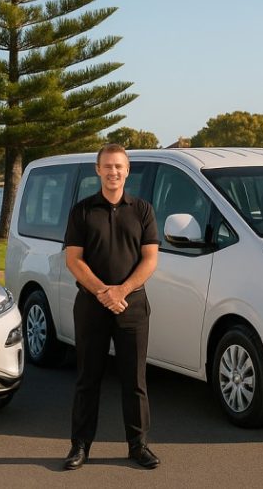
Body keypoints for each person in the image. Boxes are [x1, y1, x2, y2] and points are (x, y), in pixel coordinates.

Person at [62, 144, 160, 470]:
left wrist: (123, 290)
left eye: (119, 166)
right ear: (98, 170)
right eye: (107, 166)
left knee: (135, 380)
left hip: (133, 306)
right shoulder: (82, 211)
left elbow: (150, 259)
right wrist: (104, 291)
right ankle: (79, 447)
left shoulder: (143, 210)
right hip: (91, 305)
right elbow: (73, 260)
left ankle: (138, 446)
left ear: (127, 171)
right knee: (88, 379)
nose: (113, 172)